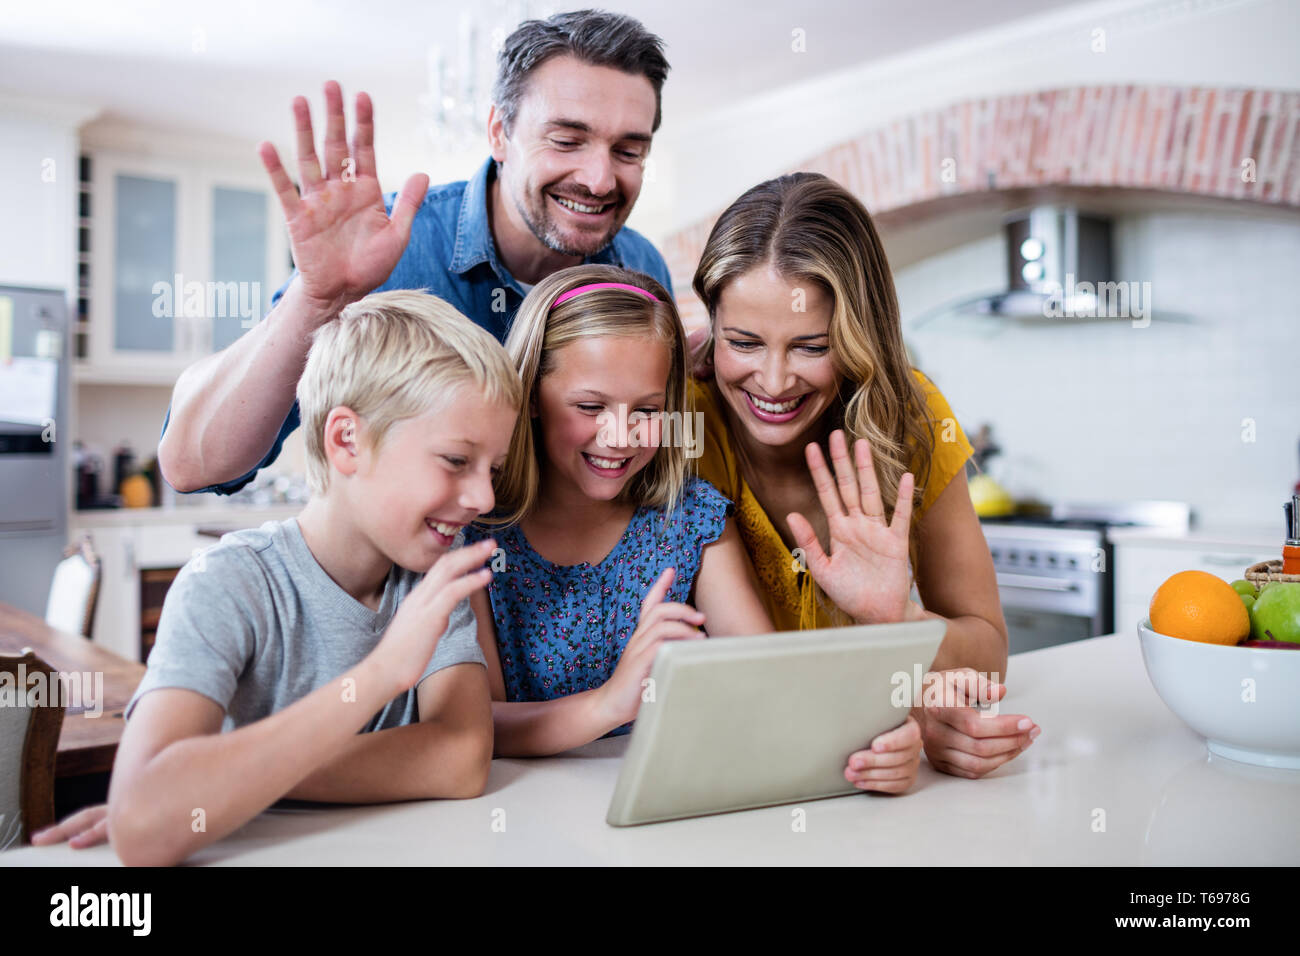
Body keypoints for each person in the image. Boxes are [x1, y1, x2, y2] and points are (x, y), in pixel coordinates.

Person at [32, 291, 522, 864]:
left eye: (494, 469)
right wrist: (384, 672)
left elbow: (461, 758)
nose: (484, 495)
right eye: (457, 461)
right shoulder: (228, 583)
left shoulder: (431, 575)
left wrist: (232, 784)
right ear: (346, 441)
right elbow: (145, 826)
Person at [158, 9, 673, 497]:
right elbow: (193, 466)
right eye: (566, 140)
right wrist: (315, 300)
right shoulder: (386, 254)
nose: (600, 179)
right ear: (499, 132)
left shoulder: (641, 271)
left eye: (628, 151)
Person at [460, 264, 924, 793]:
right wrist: (608, 704)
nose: (620, 435)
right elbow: (478, 725)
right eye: (590, 407)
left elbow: (773, 688)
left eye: (648, 410)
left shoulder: (690, 522)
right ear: (531, 397)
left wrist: (879, 736)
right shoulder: (476, 532)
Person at [689, 173, 1040, 780]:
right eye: (743, 342)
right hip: (726, 765)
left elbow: (987, 659)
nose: (773, 382)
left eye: (811, 347)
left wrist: (895, 624)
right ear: (711, 323)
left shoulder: (911, 417)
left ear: (861, 337)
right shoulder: (679, 421)